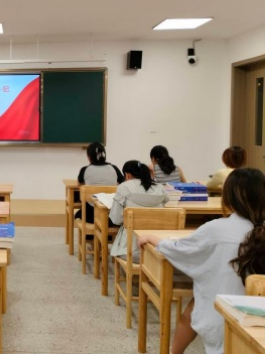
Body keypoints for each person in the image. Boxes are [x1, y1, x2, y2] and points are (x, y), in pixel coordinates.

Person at [138, 168, 265, 354]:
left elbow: (179, 250)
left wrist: (152, 238)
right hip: (258, 314)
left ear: (228, 197)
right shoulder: (258, 231)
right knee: (195, 303)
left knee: (197, 302)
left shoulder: (216, 229)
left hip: (226, 318)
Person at [109, 160, 169, 262]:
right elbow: (166, 201)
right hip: (157, 250)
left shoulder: (123, 187)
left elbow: (116, 219)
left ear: (127, 175)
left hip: (130, 251)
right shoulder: (160, 187)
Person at [75, 142, 124, 222]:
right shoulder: (114, 168)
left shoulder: (85, 170)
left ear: (89, 157)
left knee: (78, 213)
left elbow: (79, 184)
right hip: (111, 216)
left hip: (91, 216)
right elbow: (124, 184)